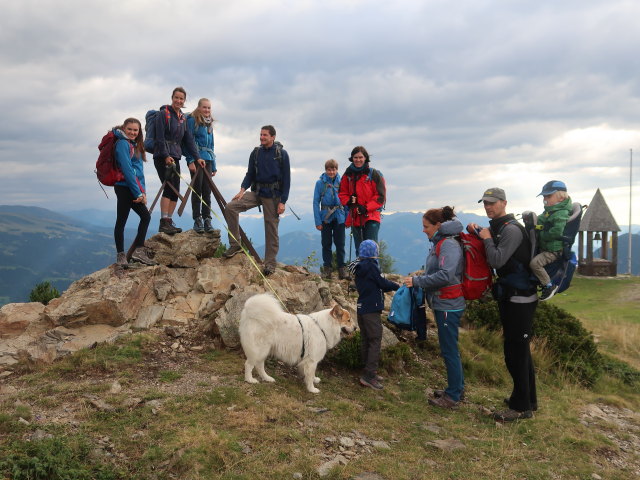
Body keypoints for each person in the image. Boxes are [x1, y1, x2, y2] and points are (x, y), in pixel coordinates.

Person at [468, 187, 538, 422]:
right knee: (520, 350)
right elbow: (492, 241)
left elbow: (497, 259)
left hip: (520, 298)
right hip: (511, 295)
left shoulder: (512, 230)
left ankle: (519, 408)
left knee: (515, 352)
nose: (488, 207)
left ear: (504, 203)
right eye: (485, 203)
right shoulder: (500, 227)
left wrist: (486, 239)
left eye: (492, 203)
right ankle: (528, 401)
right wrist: (479, 232)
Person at [403, 207, 465, 408]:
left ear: (438, 226)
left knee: (449, 350)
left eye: (426, 226)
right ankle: (456, 388)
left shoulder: (447, 245)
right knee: (450, 349)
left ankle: (453, 396)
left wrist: (418, 281)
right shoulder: (441, 242)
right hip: (444, 302)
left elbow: (446, 275)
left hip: (449, 304)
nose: (423, 230)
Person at [223, 125, 291, 276]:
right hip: (257, 192)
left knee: (271, 228)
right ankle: (235, 245)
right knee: (230, 207)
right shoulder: (256, 153)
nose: (262, 137)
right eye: (261, 135)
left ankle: (270, 264)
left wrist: (283, 201)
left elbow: (287, 180)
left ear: (273, 137)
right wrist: (242, 190)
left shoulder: (282, 154)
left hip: (273, 196)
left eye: (265, 135)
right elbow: (250, 174)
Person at [153, 87, 204, 235]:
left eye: (181, 99)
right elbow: (160, 137)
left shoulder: (182, 118)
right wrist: (165, 155)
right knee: (169, 188)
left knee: (176, 189)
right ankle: (163, 222)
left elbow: (189, 140)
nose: (179, 101)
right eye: (176, 98)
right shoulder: (163, 114)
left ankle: (169, 221)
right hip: (163, 157)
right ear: (172, 98)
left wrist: (197, 157)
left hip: (175, 156)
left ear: (184, 101)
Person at [351, 239, 400, 390]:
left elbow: (374, 283)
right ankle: (369, 375)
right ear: (374, 253)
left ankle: (366, 369)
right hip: (371, 309)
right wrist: (397, 286)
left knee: (367, 339)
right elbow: (381, 283)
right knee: (375, 340)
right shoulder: (371, 266)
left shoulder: (359, 266)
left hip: (362, 308)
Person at [113, 118, 156, 267]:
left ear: (139, 132)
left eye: (135, 130)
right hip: (124, 187)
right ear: (124, 129)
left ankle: (138, 250)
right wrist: (138, 193)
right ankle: (121, 256)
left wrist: (142, 192)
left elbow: (139, 173)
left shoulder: (135, 145)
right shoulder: (122, 144)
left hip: (133, 188)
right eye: (129, 129)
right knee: (122, 220)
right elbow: (127, 170)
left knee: (145, 216)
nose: (132, 132)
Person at [339, 146, 386, 257]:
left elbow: (380, 196)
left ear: (365, 158)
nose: (358, 160)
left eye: (361, 157)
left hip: (371, 216)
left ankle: (372, 273)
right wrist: (349, 201)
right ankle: (360, 273)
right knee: (359, 248)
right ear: (352, 158)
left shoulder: (374, 174)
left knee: (371, 248)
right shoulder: (348, 175)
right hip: (356, 216)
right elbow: (342, 193)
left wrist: (366, 207)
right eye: (355, 157)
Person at [530, 180, 573, 301]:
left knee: (535, 264)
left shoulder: (561, 213)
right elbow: (541, 219)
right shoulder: (551, 210)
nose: (545, 199)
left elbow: (556, 232)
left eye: (548, 196)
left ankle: (548, 286)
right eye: (544, 196)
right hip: (547, 246)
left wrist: (541, 234)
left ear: (560, 197)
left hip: (553, 250)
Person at [185, 98, 217, 233]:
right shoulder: (193, 121)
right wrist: (190, 160)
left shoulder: (209, 124)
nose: (207, 110)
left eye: (209, 108)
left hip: (208, 160)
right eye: (204, 107)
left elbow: (212, 146)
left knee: (207, 191)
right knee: (197, 190)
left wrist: (214, 165)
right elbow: (188, 140)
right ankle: (197, 219)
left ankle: (207, 219)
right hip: (197, 159)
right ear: (199, 108)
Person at [313, 159, 347, 279]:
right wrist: (317, 221)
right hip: (325, 217)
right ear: (326, 170)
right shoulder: (320, 183)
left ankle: (341, 269)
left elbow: (346, 201)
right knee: (326, 243)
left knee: (340, 244)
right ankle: (327, 268)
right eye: (329, 169)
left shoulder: (342, 182)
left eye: (333, 169)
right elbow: (315, 202)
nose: (331, 172)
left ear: (337, 170)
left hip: (339, 216)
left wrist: (347, 218)